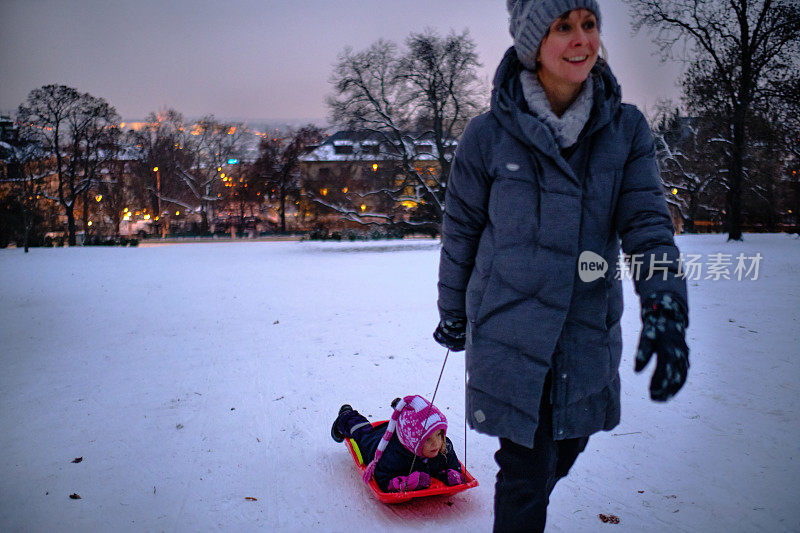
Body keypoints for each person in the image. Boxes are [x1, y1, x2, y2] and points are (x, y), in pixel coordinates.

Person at [434, 1, 690, 531]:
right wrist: (453, 310)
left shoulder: (625, 131)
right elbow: (460, 230)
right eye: (563, 27)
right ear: (533, 44)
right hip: (510, 327)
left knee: (566, 443)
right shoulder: (487, 136)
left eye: (589, 24)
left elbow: (646, 224)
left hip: (584, 331)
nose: (581, 39)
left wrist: (665, 304)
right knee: (525, 470)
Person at [331, 395, 467, 492]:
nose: (436, 443)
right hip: (379, 440)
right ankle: (346, 415)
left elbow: (453, 465)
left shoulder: (444, 447)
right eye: (428, 440)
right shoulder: (393, 456)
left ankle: (402, 408)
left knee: (417, 423)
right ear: (414, 442)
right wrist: (408, 483)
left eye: (439, 435)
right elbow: (382, 479)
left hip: (406, 431)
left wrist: (451, 474)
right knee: (362, 432)